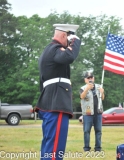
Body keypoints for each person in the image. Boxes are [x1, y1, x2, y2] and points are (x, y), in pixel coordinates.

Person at [36, 24, 81, 160]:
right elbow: (69, 57)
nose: (70, 44)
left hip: (51, 101)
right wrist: (77, 40)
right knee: (55, 148)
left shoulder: (49, 50)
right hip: (56, 102)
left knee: (49, 145)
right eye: (69, 39)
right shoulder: (55, 49)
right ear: (63, 35)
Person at [80, 72, 104, 152]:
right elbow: (82, 96)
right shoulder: (83, 88)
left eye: (91, 77)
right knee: (86, 131)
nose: (90, 79)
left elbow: (102, 98)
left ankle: (98, 148)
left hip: (98, 112)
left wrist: (102, 92)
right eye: (88, 78)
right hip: (88, 113)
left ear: (93, 78)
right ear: (85, 80)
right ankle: (86, 148)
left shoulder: (99, 87)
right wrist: (87, 89)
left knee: (98, 131)